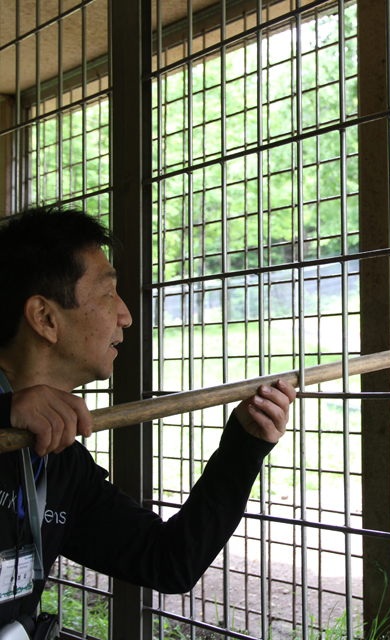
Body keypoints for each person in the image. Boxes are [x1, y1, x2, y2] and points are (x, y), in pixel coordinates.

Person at [0, 206, 296, 630]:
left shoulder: (60, 462)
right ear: (46, 318)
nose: (125, 315)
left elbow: (169, 561)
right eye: (107, 293)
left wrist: (243, 446)